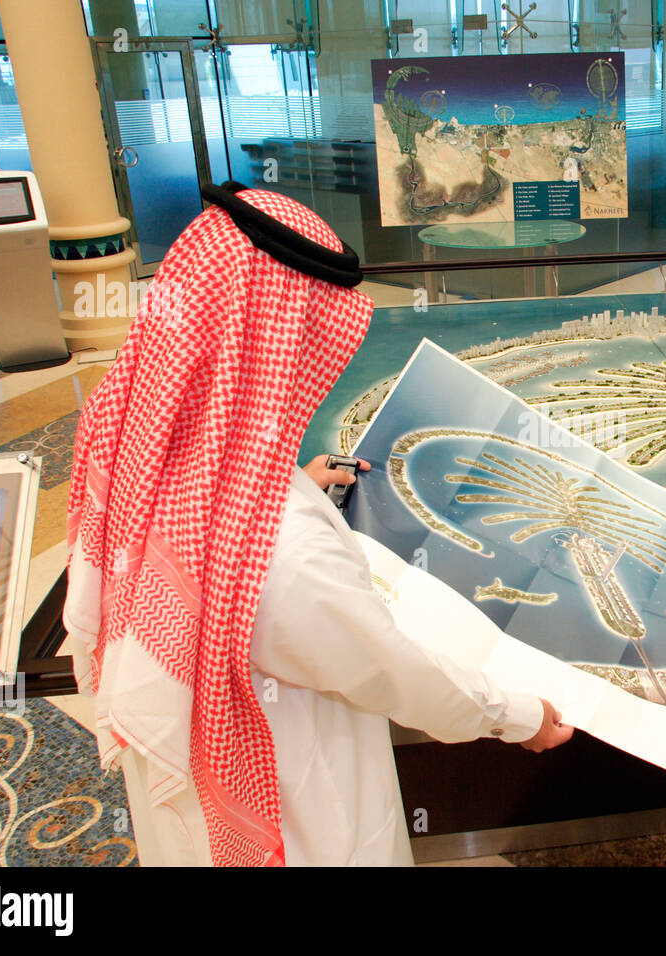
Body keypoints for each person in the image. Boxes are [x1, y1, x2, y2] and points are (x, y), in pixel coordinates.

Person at [63, 182, 572, 867]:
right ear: (281, 336)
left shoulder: (130, 433)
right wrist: (519, 717)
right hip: (295, 815)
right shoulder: (281, 551)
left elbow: (200, 509)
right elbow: (391, 670)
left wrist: (292, 480)